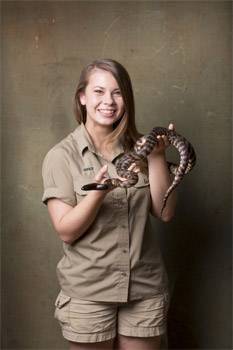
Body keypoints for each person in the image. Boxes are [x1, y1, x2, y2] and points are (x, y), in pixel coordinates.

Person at [42, 59, 177, 350]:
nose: (109, 101)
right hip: (88, 292)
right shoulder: (61, 156)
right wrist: (99, 193)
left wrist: (155, 157)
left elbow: (164, 213)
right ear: (82, 97)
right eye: (99, 91)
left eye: (117, 93)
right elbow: (66, 231)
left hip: (144, 288)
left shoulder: (143, 149)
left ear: (126, 99)